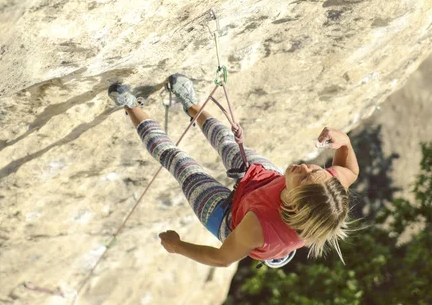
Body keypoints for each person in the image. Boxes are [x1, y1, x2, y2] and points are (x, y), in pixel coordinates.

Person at [109, 74, 359, 268]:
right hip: (262, 183)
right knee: (227, 140)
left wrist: (178, 246)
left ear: (294, 204)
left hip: (229, 219)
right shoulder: (326, 189)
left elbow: (222, 258)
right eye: (314, 169)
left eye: (303, 177)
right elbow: (350, 171)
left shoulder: (261, 229)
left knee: (179, 162)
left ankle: (131, 106)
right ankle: (191, 104)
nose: (304, 167)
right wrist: (344, 141)